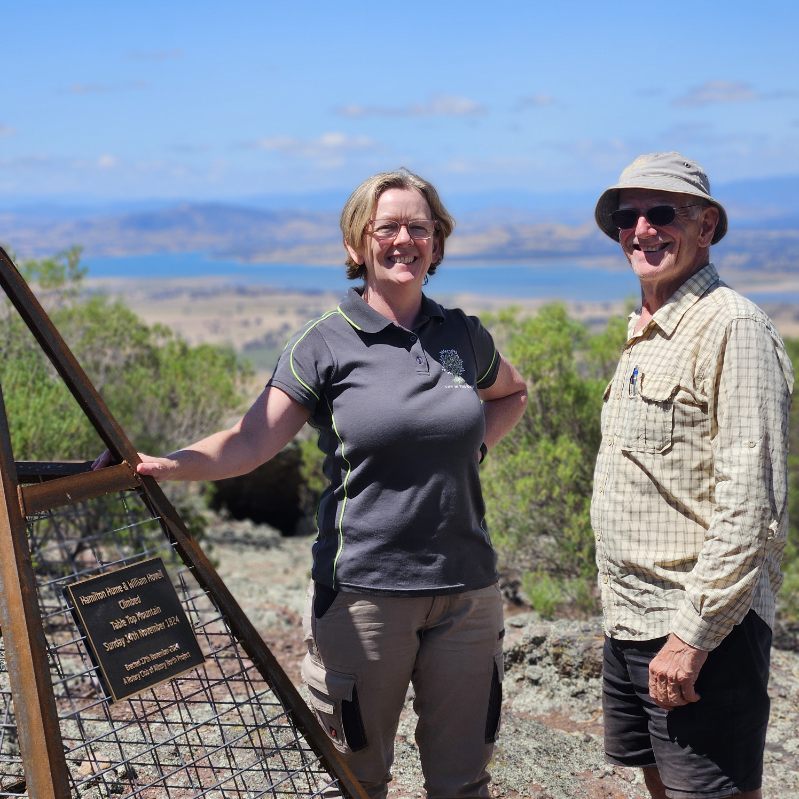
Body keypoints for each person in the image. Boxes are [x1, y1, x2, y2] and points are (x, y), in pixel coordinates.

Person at [96, 168, 528, 799]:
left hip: (468, 595)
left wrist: (471, 449)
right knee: (355, 782)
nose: (404, 239)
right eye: (388, 228)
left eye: (419, 227)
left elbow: (511, 394)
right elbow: (249, 441)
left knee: (463, 783)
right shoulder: (324, 342)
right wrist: (173, 463)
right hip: (364, 597)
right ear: (358, 245)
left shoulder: (463, 334)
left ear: (437, 243)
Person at [591, 152, 793, 799]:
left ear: (705, 226)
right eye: (628, 216)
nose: (641, 229)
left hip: (698, 630)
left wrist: (689, 638)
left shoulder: (732, 325)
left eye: (660, 213)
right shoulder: (647, 327)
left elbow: (749, 507)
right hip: (630, 618)